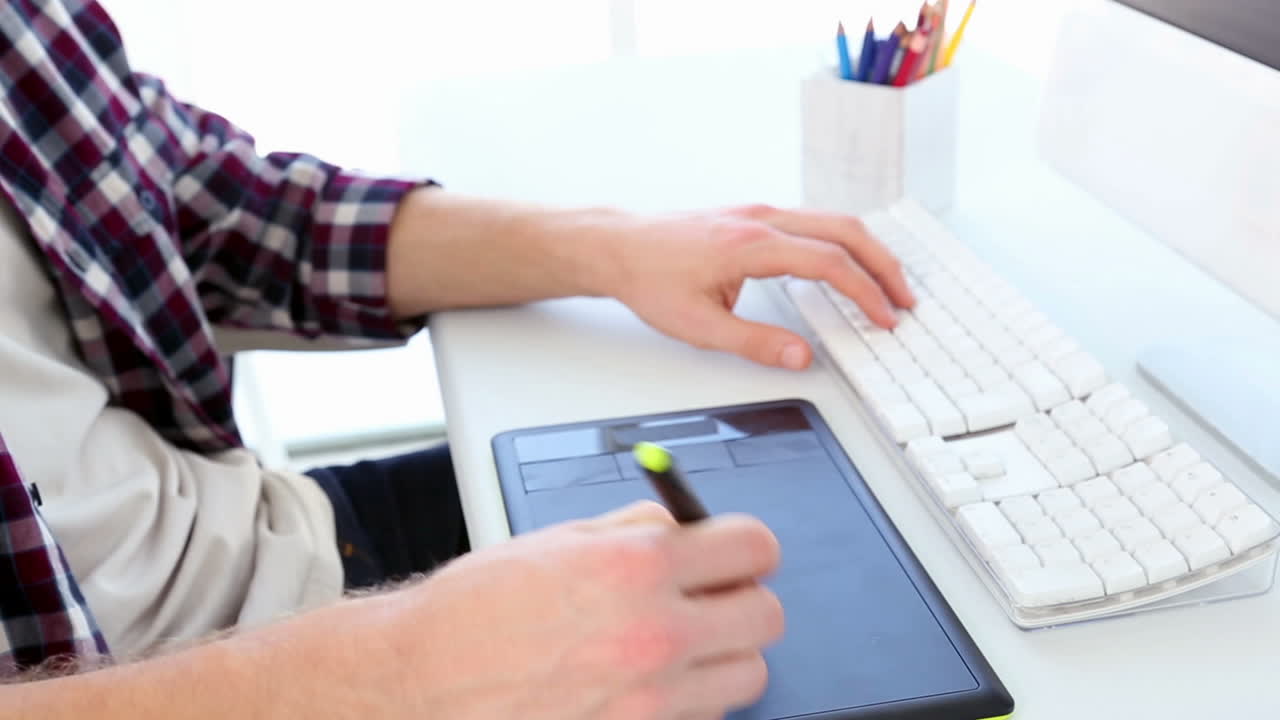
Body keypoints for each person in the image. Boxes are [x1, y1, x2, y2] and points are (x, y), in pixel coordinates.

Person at [0, 1, 913, 716]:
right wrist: (390, 682)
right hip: (239, 685)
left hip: (280, 550)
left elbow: (208, 204)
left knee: (825, 524)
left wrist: (613, 248)